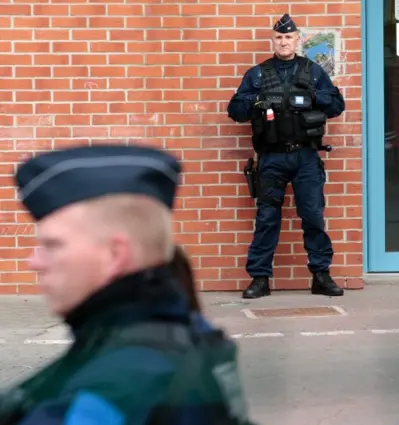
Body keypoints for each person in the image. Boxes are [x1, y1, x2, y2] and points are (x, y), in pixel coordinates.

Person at [0, 145, 255, 425]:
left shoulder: (117, 383)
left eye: (52, 245)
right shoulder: (187, 333)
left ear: (115, 255)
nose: (34, 262)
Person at [227, 13, 346, 299]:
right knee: (267, 218)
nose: (284, 42)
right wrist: (256, 102)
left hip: (305, 156)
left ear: (297, 40)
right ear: (273, 40)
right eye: (279, 37)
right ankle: (259, 279)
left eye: (289, 37)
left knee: (313, 216)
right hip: (272, 158)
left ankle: (321, 275)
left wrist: (313, 95)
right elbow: (235, 111)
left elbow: (336, 105)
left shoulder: (313, 71)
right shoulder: (256, 74)